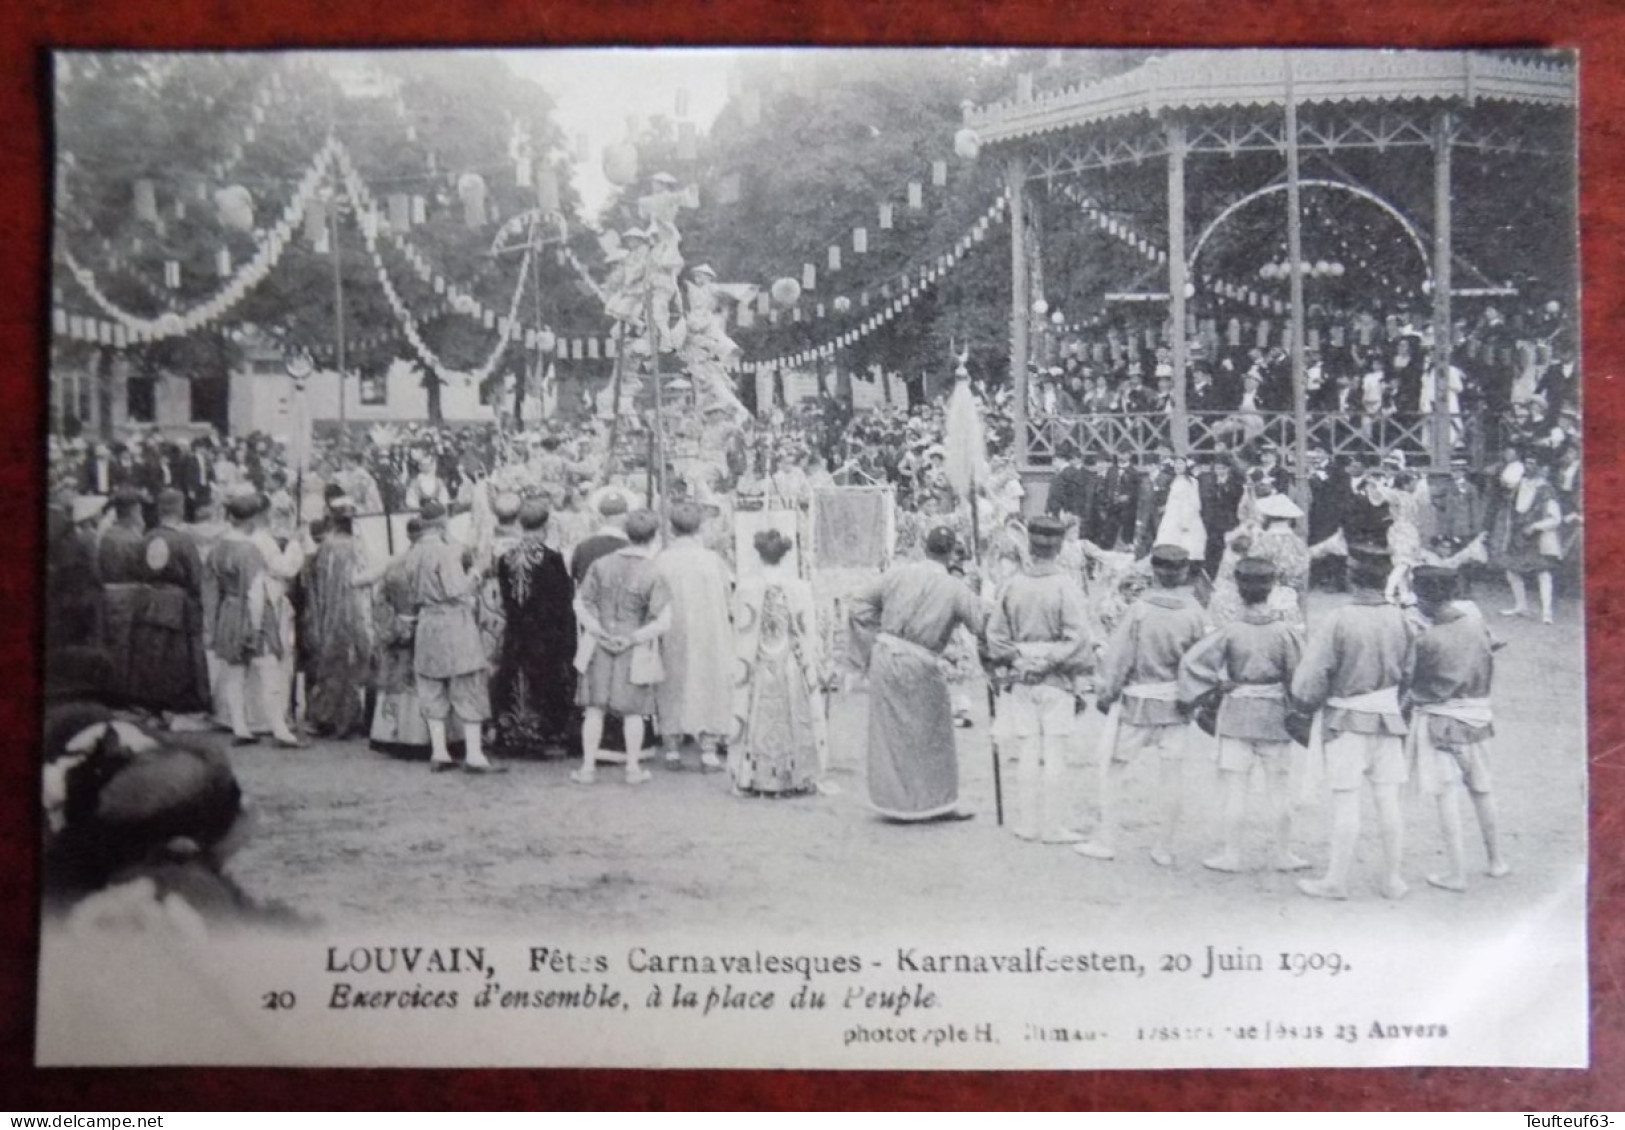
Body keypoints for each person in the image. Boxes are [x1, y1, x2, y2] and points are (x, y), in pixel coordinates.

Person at [1290, 545, 1415, 900]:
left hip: (1346, 719)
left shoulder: (1339, 618)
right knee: (1388, 800)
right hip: (1388, 718)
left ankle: (1336, 880)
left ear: (1351, 577)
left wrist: (1303, 705)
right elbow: (1410, 673)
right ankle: (1392, 879)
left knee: (1347, 801)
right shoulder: (1401, 618)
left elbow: (1310, 678)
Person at [1076, 545, 1210, 865]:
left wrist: (1106, 695)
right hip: (1176, 705)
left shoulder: (1139, 610)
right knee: (1172, 776)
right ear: (1182, 573)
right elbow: (1201, 662)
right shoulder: (1194, 612)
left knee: (1113, 770)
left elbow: (1119, 659)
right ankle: (1164, 846)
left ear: (1153, 572)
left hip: (1137, 704)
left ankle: (1106, 840)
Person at [847, 526, 988, 822]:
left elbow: (858, 602)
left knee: (892, 733)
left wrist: (873, 636)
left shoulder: (898, 574)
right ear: (951, 554)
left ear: (925, 548)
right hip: (921, 660)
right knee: (934, 734)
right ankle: (934, 802)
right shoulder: (955, 588)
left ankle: (898, 802)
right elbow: (981, 625)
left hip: (886, 654)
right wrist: (982, 596)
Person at [1178, 557, 1307, 873]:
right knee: (1279, 788)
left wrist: (1217, 686)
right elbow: (1302, 676)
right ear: (1272, 588)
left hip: (1236, 713)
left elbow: (1192, 663)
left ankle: (1231, 854)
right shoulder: (1286, 633)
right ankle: (1283, 854)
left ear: (1238, 589)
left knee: (1235, 788)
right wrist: (1295, 702)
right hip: (1275, 716)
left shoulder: (1230, 632)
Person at [985, 516, 1091, 844]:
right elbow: (1078, 638)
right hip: (1054, 676)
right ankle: (1053, 826)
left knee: (1028, 748)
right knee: (1055, 750)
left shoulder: (1012, 584)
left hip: (1020, 674)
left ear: (1030, 545)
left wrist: (1019, 660)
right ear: (1059, 547)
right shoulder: (1066, 587)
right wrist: (1047, 663)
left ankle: (1027, 824)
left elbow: (995, 636)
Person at [1405, 565, 1510, 891]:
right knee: (1482, 789)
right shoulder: (1477, 623)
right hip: (1479, 716)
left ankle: (1456, 873)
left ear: (1423, 599)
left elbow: (1413, 684)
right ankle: (1496, 861)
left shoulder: (1427, 639)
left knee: (1446, 795)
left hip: (1441, 720)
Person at [572, 509, 671, 786]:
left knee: (594, 709)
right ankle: (632, 768)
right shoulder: (654, 571)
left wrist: (597, 630)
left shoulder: (601, 564)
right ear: (654, 537)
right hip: (634, 647)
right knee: (634, 711)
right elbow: (663, 620)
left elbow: (581, 603)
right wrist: (634, 637)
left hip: (598, 643)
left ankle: (588, 768)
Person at [729, 528, 828, 797]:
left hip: (757, 662)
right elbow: (808, 631)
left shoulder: (746, 587)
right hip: (789, 664)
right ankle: (794, 776)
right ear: (785, 556)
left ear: (758, 554)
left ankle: (753, 776)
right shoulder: (799, 588)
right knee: (793, 713)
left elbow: (739, 625)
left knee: (757, 712)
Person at [203, 492, 300, 748]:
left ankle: (240, 727)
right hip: (251, 612)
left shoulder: (218, 548)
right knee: (269, 669)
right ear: (253, 518)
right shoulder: (250, 550)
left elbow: (210, 588)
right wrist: (257, 627)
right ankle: (280, 730)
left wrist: (212, 624)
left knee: (236, 672)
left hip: (229, 610)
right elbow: (256, 591)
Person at [411, 500, 500, 773]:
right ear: (442, 522)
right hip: (453, 623)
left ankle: (440, 752)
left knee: (431, 686)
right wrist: (478, 570)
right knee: (468, 684)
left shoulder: (412, 553)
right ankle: (474, 755)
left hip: (426, 623)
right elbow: (457, 589)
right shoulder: (447, 552)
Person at [491, 498, 578, 757]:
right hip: (545, 632)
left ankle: (513, 732)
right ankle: (543, 734)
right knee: (545, 678)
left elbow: (506, 598)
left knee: (514, 675)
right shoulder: (551, 559)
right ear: (546, 525)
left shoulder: (505, 558)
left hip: (516, 629)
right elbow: (563, 602)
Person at [652, 502, 736, 770]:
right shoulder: (713, 561)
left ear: (672, 529)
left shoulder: (662, 560)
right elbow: (728, 595)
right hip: (709, 631)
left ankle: (672, 749)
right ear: (699, 527)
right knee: (708, 682)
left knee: (671, 682)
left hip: (673, 629)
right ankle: (708, 749)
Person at [127, 488, 210, 721]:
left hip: (148, 600)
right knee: (176, 657)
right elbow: (196, 577)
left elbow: (136, 568)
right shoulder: (183, 540)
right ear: (179, 509)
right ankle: (175, 705)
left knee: (151, 652)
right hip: (177, 604)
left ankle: (149, 703)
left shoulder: (147, 536)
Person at [302, 498, 380, 739]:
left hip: (329, 611)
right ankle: (346, 718)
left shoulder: (326, 546)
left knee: (333, 664)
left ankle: (327, 717)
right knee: (351, 663)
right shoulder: (355, 546)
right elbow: (361, 578)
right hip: (352, 609)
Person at [1496, 456, 1563, 624]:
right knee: (1511, 569)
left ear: (1539, 466)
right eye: (1526, 463)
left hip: (1539, 537)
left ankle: (1547, 612)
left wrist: (1535, 526)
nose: (1528, 466)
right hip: (1519, 535)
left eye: (1532, 463)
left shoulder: (1546, 489)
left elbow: (1555, 518)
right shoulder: (1520, 484)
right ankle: (1521, 605)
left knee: (1543, 572)